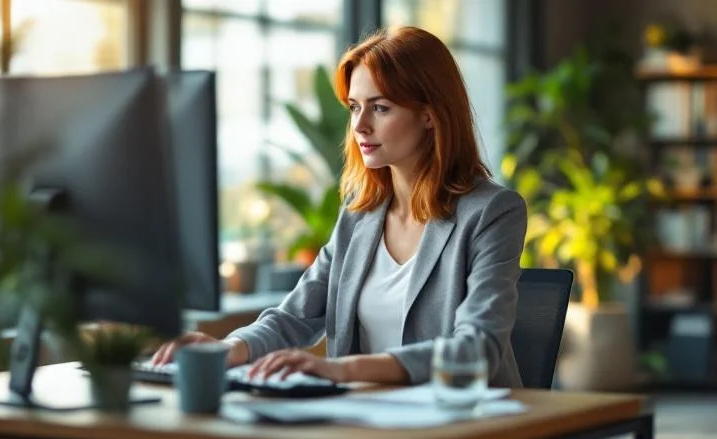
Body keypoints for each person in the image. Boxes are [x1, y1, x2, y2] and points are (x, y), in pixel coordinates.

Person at [152, 25, 527, 387]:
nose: (359, 126)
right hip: (366, 414)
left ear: (429, 115)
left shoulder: (492, 212)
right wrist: (229, 347)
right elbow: (294, 317)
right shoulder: (359, 215)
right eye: (354, 107)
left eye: (380, 108)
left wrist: (345, 370)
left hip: (465, 415)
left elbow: (478, 347)